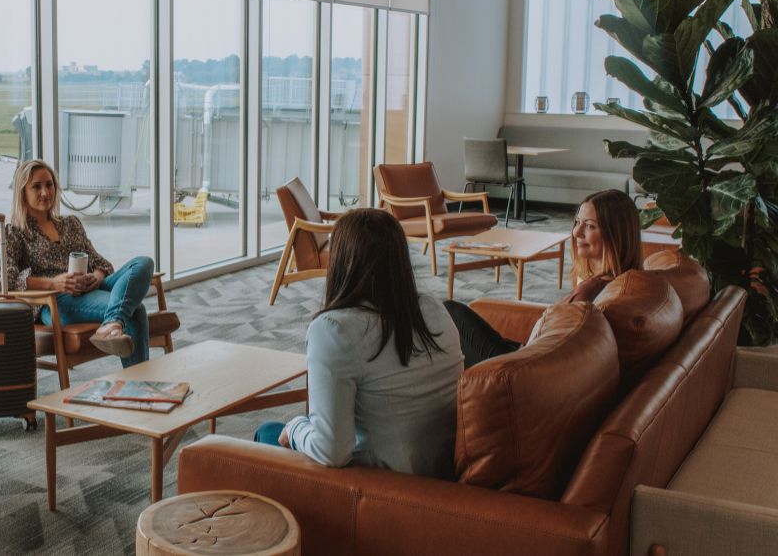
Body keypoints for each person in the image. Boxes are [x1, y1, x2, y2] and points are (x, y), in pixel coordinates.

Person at [254, 208, 464, 478]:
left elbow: (331, 452)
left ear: (341, 261)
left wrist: (293, 428)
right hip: (442, 473)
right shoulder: (434, 309)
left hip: (387, 487)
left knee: (269, 432)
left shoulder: (335, 330)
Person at [444, 188, 644, 368]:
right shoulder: (623, 282)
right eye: (577, 222)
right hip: (531, 352)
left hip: (521, 365)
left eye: (590, 226)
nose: (576, 232)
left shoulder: (589, 291)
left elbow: (548, 356)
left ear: (615, 234)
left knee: (450, 311)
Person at [0, 159, 154, 367]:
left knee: (144, 263)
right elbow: (2, 281)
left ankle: (112, 322)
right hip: (55, 302)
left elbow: (100, 262)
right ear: (22, 192)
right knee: (135, 310)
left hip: (89, 289)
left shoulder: (70, 224)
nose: (45, 192)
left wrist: (96, 277)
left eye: (49, 185)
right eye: (36, 187)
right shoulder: (14, 232)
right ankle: (137, 386)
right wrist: (54, 283)